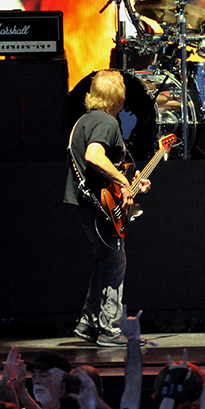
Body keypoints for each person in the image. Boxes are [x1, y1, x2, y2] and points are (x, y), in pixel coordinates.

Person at [63, 69, 150, 347]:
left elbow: (104, 167)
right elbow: (94, 156)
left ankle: (88, 323)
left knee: (106, 260)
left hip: (86, 201)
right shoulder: (106, 121)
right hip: (96, 205)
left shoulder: (85, 120)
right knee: (115, 261)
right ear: (119, 99)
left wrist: (130, 181)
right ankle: (109, 329)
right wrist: (124, 183)